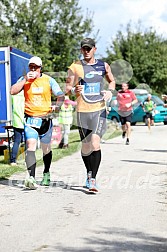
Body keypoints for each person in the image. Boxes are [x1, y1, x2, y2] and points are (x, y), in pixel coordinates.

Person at [65, 38, 115, 192]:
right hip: (82, 111)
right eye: (83, 49)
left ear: (94, 49)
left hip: (98, 109)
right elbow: (67, 86)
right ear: (81, 50)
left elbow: (112, 81)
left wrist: (109, 92)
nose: (86, 52)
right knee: (86, 147)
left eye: (89, 49)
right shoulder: (75, 66)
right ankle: (89, 173)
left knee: (95, 144)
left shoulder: (103, 65)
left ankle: (92, 179)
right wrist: (73, 90)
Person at [10, 56, 64, 189]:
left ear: (41, 68)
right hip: (30, 119)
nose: (33, 69)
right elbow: (12, 91)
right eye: (31, 67)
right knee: (31, 145)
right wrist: (25, 80)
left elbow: (60, 95)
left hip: (45, 120)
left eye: (36, 67)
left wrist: (57, 107)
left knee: (46, 149)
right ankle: (32, 177)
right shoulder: (25, 80)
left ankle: (46, 172)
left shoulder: (49, 80)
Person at [10, 90, 25, 166]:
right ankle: (27, 160)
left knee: (16, 142)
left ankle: (13, 160)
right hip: (26, 121)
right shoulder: (26, 93)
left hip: (17, 121)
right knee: (28, 142)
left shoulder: (14, 94)